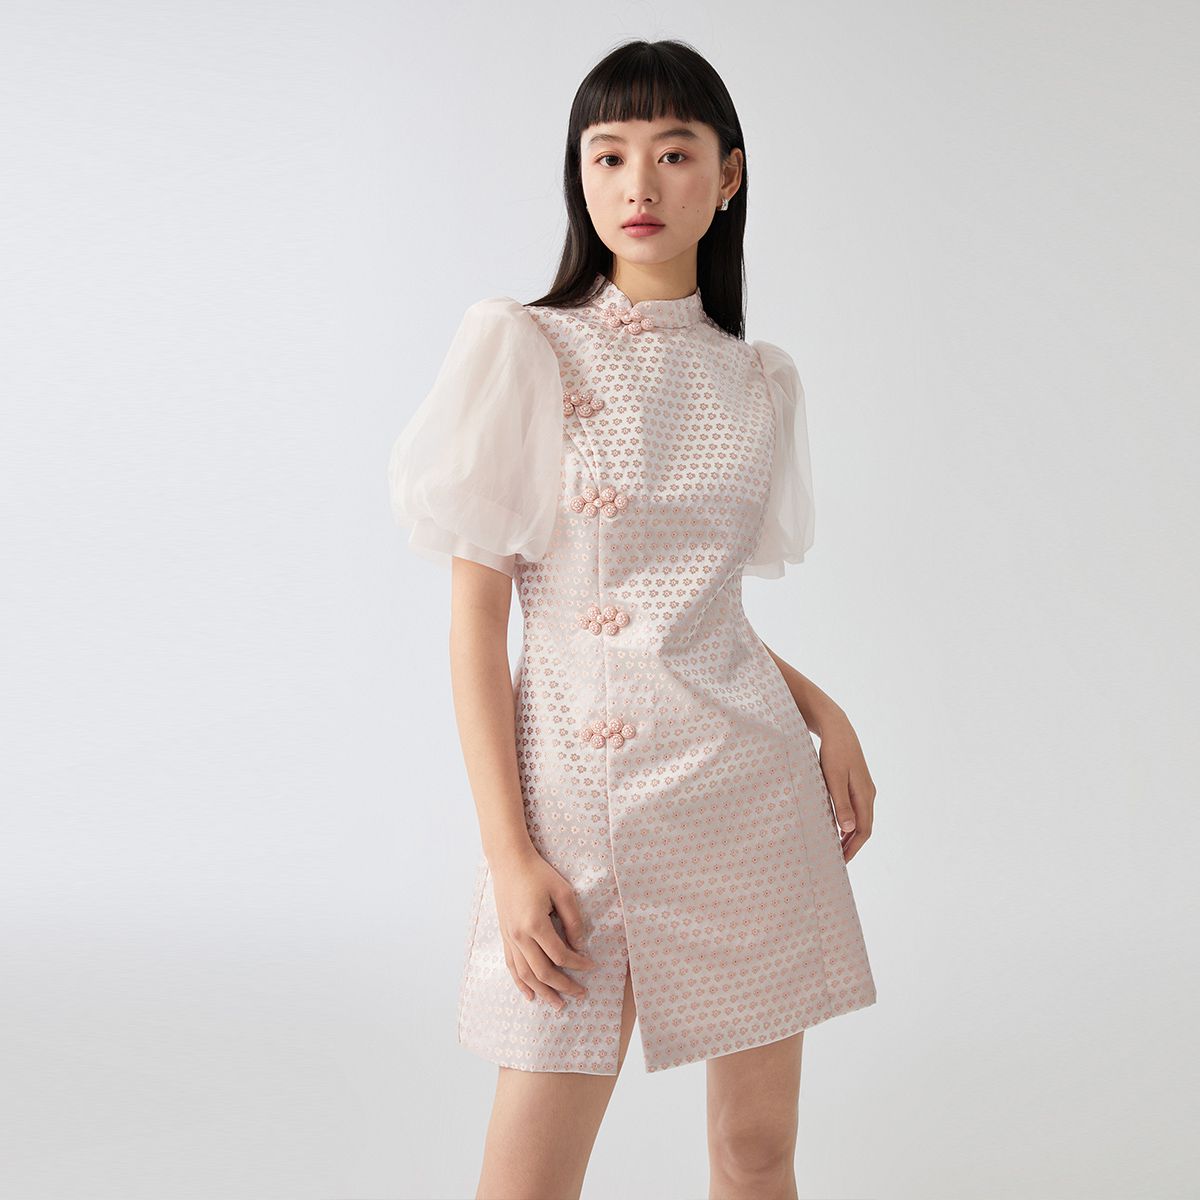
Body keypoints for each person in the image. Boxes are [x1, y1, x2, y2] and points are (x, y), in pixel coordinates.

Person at [388, 38, 878, 1200]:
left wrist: (825, 711)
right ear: (580, 175)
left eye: (673, 152)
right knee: (529, 1178)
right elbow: (477, 628)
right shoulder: (525, 348)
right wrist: (510, 857)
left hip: (746, 793)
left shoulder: (758, 381)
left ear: (729, 174)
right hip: (577, 807)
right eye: (607, 155)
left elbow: (691, 605)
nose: (638, 184)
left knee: (757, 1152)